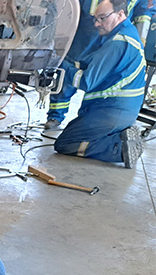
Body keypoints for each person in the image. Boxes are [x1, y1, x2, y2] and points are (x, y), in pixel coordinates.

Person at [50, 0, 147, 168]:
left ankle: (119, 149)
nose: (96, 24)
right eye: (95, 19)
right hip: (119, 110)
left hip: (111, 111)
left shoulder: (118, 43)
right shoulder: (126, 32)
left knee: (65, 143)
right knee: (73, 131)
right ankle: (119, 136)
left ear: (120, 14)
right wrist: (68, 62)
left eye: (102, 18)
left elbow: (85, 81)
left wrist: (59, 63)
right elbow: (92, 63)